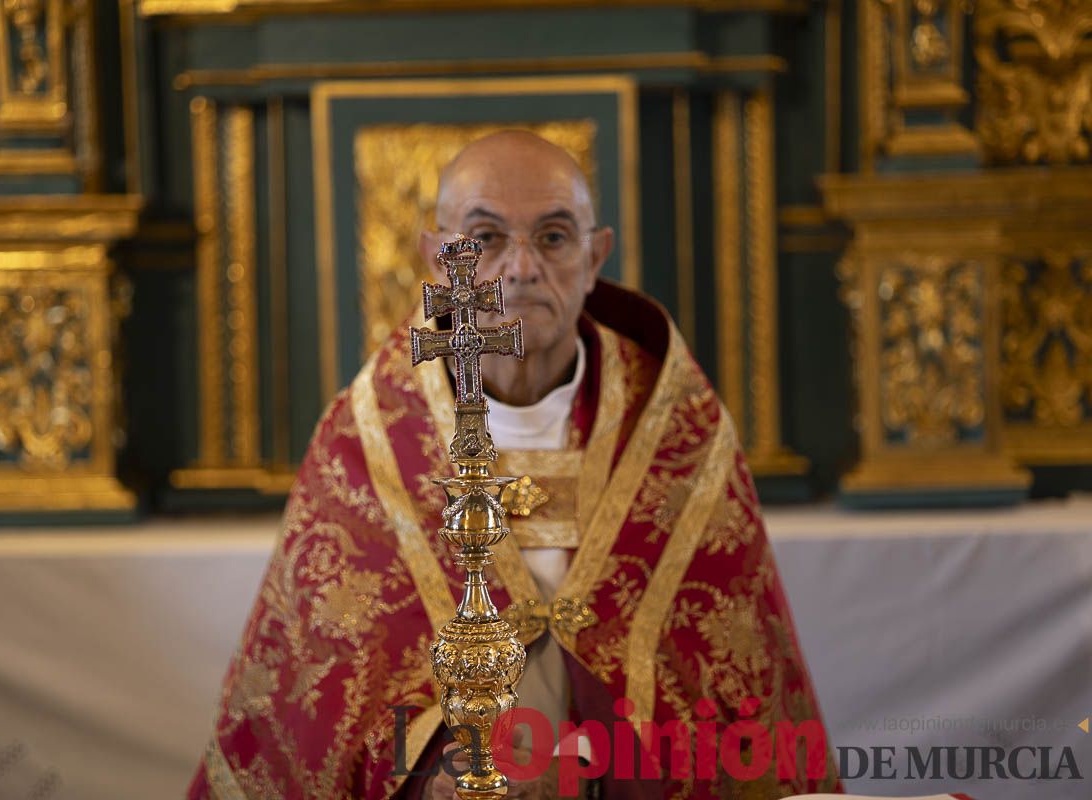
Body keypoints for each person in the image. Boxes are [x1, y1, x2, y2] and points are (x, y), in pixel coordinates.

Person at [188, 131, 840, 799]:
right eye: (486, 239)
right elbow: (321, 711)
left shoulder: (676, 428)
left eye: (554, 237)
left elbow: (726, 686)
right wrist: (428, 776)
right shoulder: (368, 436)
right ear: (439, 260)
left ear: (595, 257)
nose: (522, 269)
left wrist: (589, 765)